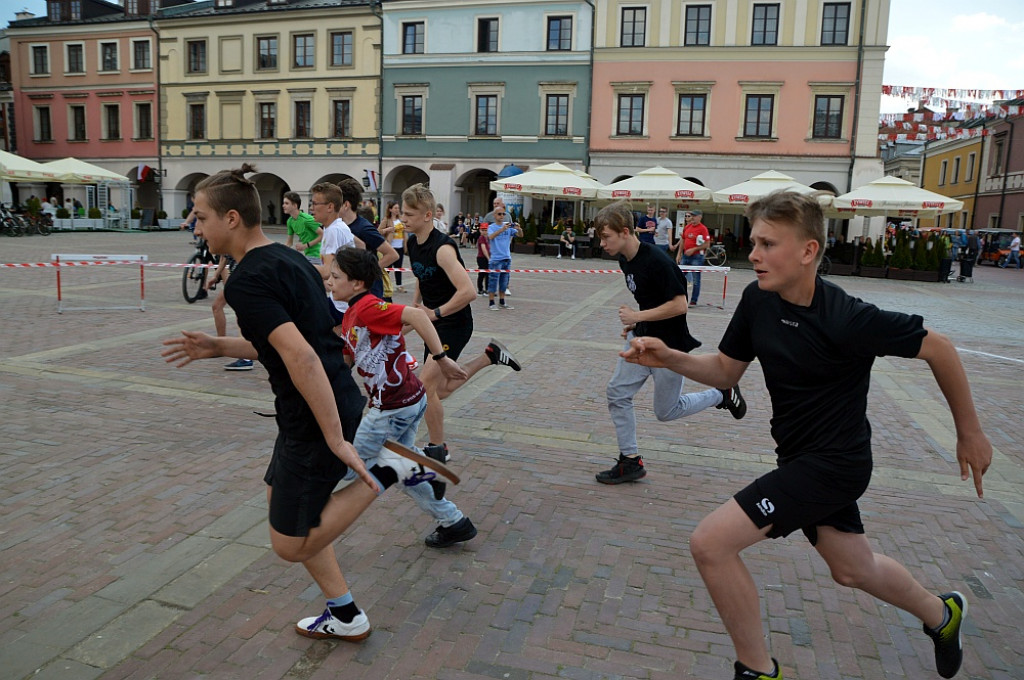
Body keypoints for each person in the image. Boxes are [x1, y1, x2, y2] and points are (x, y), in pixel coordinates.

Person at [620, 190, 992, 680]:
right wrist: (670, 357)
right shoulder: (758, 299)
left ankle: (757, 670)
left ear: (807, 251)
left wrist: (969, 433)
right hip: (799, 459)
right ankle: (943, 616)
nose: (753, 254)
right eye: (754, 242)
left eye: (768, 244)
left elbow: (939, 348)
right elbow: (727, 372)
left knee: (711, 544)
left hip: (836, 465)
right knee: (851, 569)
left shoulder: (848, 317)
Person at [161, 164, 445, 644]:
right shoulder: (287, 260)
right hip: (324, 404)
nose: (196, 225)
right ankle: (346, 612)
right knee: (283, 504)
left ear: (232, 218)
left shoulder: (248, 280)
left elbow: (302, 355)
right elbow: (297, 340)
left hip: (314, 416)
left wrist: (336, 438)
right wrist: (220, 345)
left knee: (289, 544)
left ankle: (388, 468)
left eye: (201, 215)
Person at [328, 247, 479, 548]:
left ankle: (309, 516)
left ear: (357, 283)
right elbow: (351, 358)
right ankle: (454, 521)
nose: (329, 282)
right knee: (399, 463)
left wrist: (441, 357)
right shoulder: (351, 314)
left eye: (335, 276)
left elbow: (415, 315)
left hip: (395, 407)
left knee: (348, 467)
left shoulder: (368, 307)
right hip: (403, 401)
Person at [595, 201, 746, 485]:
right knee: (617, 393)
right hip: (641, 339)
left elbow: (680, 305)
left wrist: (637, 315)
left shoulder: (658, 261)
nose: (602, 243)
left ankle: (721, 394)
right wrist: (636, 324)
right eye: (601, 238)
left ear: (625, 231)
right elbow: (651, 298)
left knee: (667, 411)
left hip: (668, 348)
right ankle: (630, 461)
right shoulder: (624, 259)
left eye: (606, 237)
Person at [403, 182, 522, 461]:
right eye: (403, 214)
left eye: (409, 214)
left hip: (454, 323)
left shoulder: (443, 248)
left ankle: (438, 448)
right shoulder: (412, 243)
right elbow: (422, 274)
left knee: (425, 387)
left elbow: (468, 292)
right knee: (439, 391)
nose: (403, 219)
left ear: (427, 215)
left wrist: (435, 313)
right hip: (432, 321)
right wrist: (416, 306)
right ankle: (489, 357)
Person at [336, 177, 398, 300]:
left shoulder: (364, 228)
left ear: (346, 205)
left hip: (370, 293)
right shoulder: (341, 226)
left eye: (336, 202)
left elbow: (392, 255)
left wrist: (366, 273)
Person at [310, 182, 356, 322]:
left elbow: (327, 271)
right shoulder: (333, 228)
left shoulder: (334, 231)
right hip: (340, 300)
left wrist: (299, 265)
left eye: (315, 204)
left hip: (341, 305)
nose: (311, 209)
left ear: (330, 207)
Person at [486, 206, 523, 310]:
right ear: (494, 215)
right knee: (493, 281)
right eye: (499, 214)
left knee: (504, 281)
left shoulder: (507, 226)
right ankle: (491, 302)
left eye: (503, 214)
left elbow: (520, 235)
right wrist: (502, 230)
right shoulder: (492, 227)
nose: (502, 216)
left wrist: (519, 228)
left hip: (506, 257)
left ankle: (502, 302)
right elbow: (490, 237)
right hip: (496, 259)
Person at [679, 209, 711, 306]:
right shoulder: (687, 227)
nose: (692, 217)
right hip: (686, 255)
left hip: (697, 256)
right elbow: (683, 240)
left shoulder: (703, 229)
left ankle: (694, 300)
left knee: (696, 279)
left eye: (694, 216)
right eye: (691, 215)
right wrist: (679, 253)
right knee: (679, 277)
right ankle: (680, 297)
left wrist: (694, 249)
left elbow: (707, 244)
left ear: (700, 217)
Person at [282, 192, 323, 264]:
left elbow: (323, 235)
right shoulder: (290, 221)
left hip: (318, 255)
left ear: (295, 205)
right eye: (283, 203)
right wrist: (279, 251)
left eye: (286, 203)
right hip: (307, 255)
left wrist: (305, 245)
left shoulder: (306, 219)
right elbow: (289, 243)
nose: (283, 206)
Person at [378, 201, 406, 293]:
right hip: (390, 246)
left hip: (400, 245)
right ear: (390, 209)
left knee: (399, 267)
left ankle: (399, 285)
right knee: (387, 267)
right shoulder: (387, 219)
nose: (397, 210)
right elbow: (379, 231)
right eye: (395, 208)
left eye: (398, 208)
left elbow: (406, 229)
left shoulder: (401, 219)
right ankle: (380, 282)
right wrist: (388, 229)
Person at [476, 226, 490, 295]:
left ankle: (487, 289)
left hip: (487, 257)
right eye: (483, 230)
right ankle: (480, 289)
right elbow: (483, 249)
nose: (484, 231)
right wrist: (488, 258)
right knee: (482, 273)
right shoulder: (481, 238)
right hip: (482, 258)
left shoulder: (488, 238)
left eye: (486, 230)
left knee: (488, 274)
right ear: (480, 230)